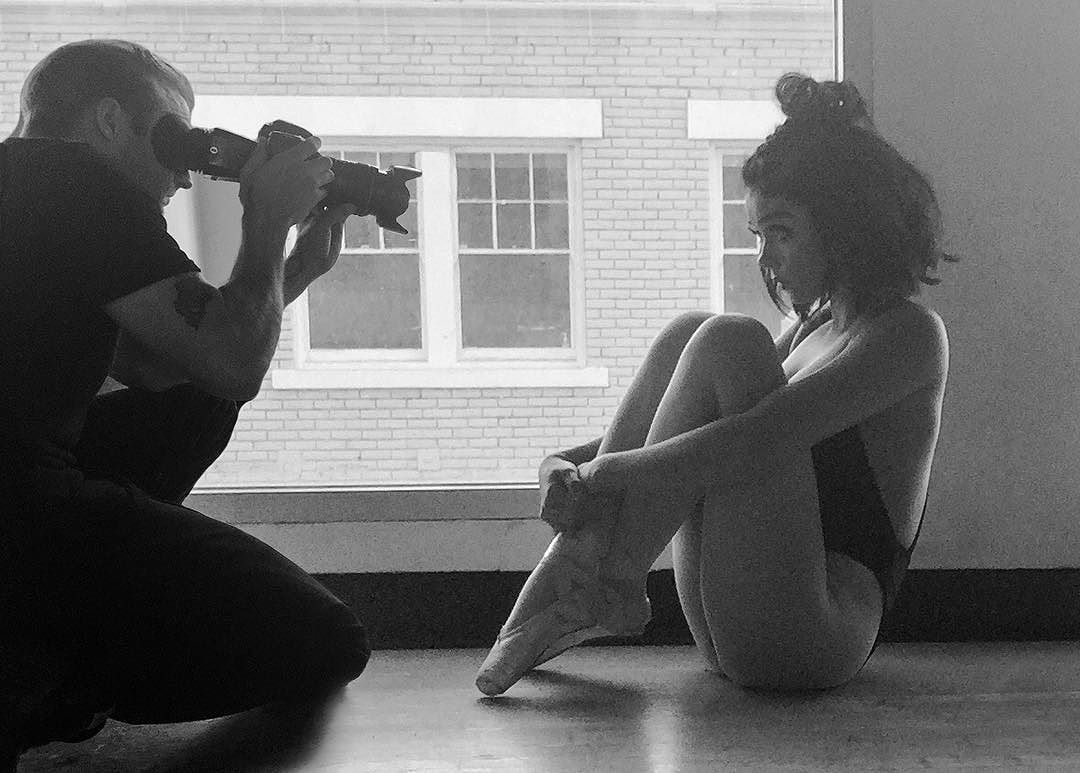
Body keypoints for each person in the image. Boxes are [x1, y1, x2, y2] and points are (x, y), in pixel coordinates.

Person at [476, 72, 952, 696]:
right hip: (732, 621)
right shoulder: (809, 330)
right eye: (758, 235)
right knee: (693, 331)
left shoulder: (908, 335)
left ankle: (595, 579)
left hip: (813, 636)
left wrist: (607, 474)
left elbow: (754, 441)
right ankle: (601, 579)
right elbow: (686, 433)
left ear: (846, 225)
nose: (765, 258)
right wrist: (561, 467)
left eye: (782, 232)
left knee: (728, 338)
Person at [0, 39, 372, 767]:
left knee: (195, 402)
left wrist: (294, 268)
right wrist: (265, 219)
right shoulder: (83, 187)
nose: (184, 170)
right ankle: (38, 679)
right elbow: (234, 363)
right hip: (22, 506)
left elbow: (166, 362)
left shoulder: (27, 187)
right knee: (328, 640)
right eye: (174, 137)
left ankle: (43, 635)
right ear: (109, 120)